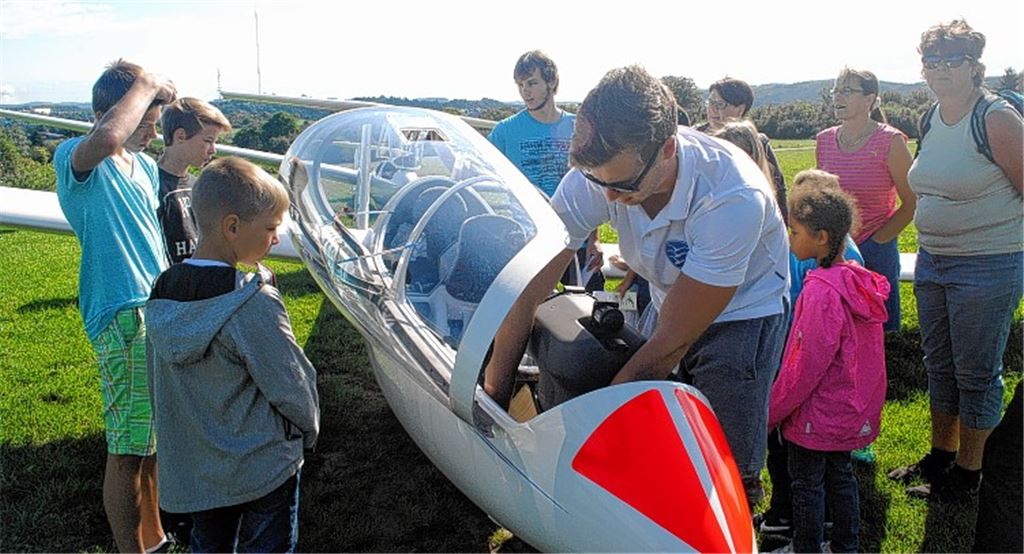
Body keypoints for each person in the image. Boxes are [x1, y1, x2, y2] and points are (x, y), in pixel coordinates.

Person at [484, 65, 790, 507]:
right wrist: (494, 396)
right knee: (658, 428)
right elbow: (526, 292)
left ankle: (736, 501)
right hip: (670, 293)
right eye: (597, 182)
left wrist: (589, 442)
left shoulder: (732, 198)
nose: (607, 198)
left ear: (668, 148)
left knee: (719, 443)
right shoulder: (601, 174)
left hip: (744, 310)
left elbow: (667, 345)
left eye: (623, 185)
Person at [145, 156, 320, 553]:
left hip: (198, 474)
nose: (276, 238)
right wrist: (306, 433)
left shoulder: (162, 292)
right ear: (233, 226)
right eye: (271, 227)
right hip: (262, 469)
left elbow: (160, 385)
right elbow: (291, 384)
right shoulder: (252, 300)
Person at [890, 19, 1023, 503]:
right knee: (939, 365)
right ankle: (941, 456)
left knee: (977, 371)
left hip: (988, 264)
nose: (940, 69)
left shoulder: (996, 118)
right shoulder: (930, 117)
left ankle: (969, 475)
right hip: (934, 260)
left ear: (974, 66)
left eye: (953, 59)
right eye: (932, 60)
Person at [52, 59, 175, 553]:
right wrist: (145, 80)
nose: (151, 131)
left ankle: (155, 537)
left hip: (154, 308)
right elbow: (106, 140)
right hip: (122, 313)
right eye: (145, 119)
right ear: (111, 112)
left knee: (151, 443)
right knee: (127, 447)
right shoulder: (79, 159)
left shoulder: (144, 167)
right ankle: (132, 549)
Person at [768, 176, 888, 553]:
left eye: (795, 231)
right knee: (841, 476)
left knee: (806, 483)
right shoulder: (856, 282)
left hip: (813, 415)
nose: (790, 239)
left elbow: (806, 364)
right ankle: (845, 546)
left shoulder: (820, 291)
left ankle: (806, 547)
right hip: (846, 410)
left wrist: (775, 409)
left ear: (821, 238)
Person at [488, 50, 603, 292]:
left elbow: (594, 183)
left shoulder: (578, 126)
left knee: (589, 310)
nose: (525, 91)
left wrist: (595, 239)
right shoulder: (504, 132)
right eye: (520, 85)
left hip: (577, 236)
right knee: (531, 310)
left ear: (551, 82)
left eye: (532, 83)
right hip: (530, 240)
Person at [815, 67, 915, 332]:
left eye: (847, 90)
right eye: (836, 89)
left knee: (880, 330)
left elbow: (914, 200)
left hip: (876, 247)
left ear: (870, 99)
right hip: (837, 248)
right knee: (839, 326)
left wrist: (880, 240)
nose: (838, 96)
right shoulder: (824, 140)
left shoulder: (890, 141)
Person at [697, 77, 788, 221]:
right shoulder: (694, 137)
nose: (712, 109)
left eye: (719, 104)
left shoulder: (758, 142)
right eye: (710, 102)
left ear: (740, 109)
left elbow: (778, 189)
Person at [157, 97, 232, 264]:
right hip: (165, 286)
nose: (213, 150)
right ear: (181, 136)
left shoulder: (198, 185)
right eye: (208, 141)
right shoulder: (151, 185)